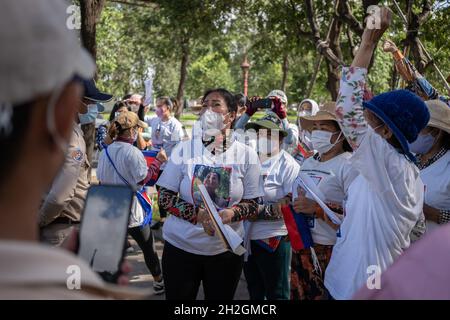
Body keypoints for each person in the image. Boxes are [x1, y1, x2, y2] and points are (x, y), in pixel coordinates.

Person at [0, 0, 141, 299]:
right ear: (61, 113)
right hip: (56, 228)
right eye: (86, 100)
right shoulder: (61, 292)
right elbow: (61, 195)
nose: (91, 108)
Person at [323, 7, 430, 300]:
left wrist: (368, 42)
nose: (363, 124)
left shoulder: (388, 163)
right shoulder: (404, 171)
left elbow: (345, 108)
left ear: (385, 132)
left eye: (370, 120)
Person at [156, 88, 263, 300]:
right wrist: (199, 215)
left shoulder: (247, 155)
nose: (208, 110)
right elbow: (165, 198)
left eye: (215, 105)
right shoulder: (184, 149)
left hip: (225, 252)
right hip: (181, 248)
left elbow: (254, 202)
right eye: (205, 105)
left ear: (231, 115)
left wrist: (231, 214)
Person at [290, 102, 357, 300]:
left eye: (324, 128)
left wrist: (318, 209)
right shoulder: (309, 161)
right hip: (302, 245)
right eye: (315, 128)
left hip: (331, 250)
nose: (317, 132)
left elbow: (355, 212)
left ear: (341, 133)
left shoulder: (349, 164)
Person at [97, 111, 168, 295]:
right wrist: (158, 162)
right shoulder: (133, 152)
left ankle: (107, 287)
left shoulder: (105, 152)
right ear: (133, 130)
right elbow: (144, 179)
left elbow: (101, 178)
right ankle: (158, 280)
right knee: (148, 248)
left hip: (110, 207)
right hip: (131, 208)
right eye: (137, 128)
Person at [39, 78, 110, 245]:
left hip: (56, 227)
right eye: (91, 101)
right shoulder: (72, 137)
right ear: (75, 102)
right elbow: (61, 196)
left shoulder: (55, 128)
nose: (95, 107)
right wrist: (38, 221)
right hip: (60, 230)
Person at [242, 111, 300, 300]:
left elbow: (291, 205)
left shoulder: (288, 165)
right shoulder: (248, 160)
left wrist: (253, 212)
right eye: (260, 133)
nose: (264, 137)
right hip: (246, 237)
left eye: (270, 134)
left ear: (281, 138)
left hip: (274, 239)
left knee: (277, 292)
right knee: (255, 289)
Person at [354, 223, 450, 299]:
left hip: (377, 267)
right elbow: (418, 233)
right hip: (389, 264)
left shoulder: (441, 241)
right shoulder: (417, 201)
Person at [409, 99, 450, 232]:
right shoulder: (410, 158)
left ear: (436, 133)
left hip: (436, 249)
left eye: (419, 129)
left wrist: (434, 214)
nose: (412, 133)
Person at [145, 96, 185, 228]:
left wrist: (173, 163)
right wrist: (142, 107)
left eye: (159, 106)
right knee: (159, 191)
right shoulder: (156, 120)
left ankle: (172, 220)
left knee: (168, 193)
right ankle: (162, 219)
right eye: (156, 106)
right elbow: (141, 119)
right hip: (156, 163)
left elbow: (179, 146)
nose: (156, 109)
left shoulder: (175, 125)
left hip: (169, 165)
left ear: (167, 108)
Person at [293, 98, 320, 165]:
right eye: (302, 108)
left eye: (308, 109)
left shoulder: (321, 132)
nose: (304, 112)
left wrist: (316, 153)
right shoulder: (295, 130)